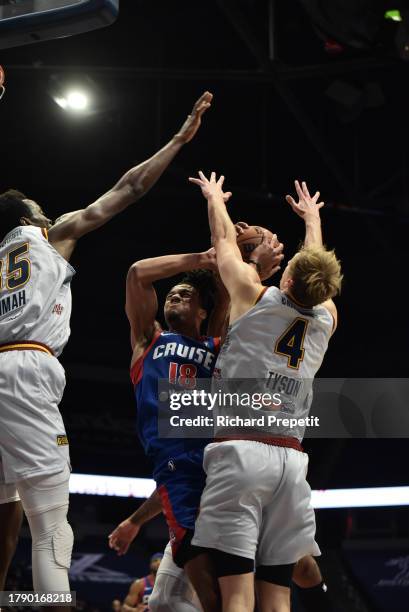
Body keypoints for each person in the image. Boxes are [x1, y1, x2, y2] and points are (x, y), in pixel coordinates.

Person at [0, 90, 213, 599]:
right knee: (52, 525)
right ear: (29, 220)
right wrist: (179, 139)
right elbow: (128, 188)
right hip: (29, 367)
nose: (48, 213)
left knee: (5, 515)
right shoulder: (49, 237)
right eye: (40, 209)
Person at [189, 172, 342, 612]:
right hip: (292, 463)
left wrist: (215, 198)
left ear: (288, 280)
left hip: (242, 455)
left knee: (237, 594)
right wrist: (313, 220)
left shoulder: (253, 298)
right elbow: (316, 267)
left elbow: (222, 243)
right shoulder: (327, 319)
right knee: (277, 596)